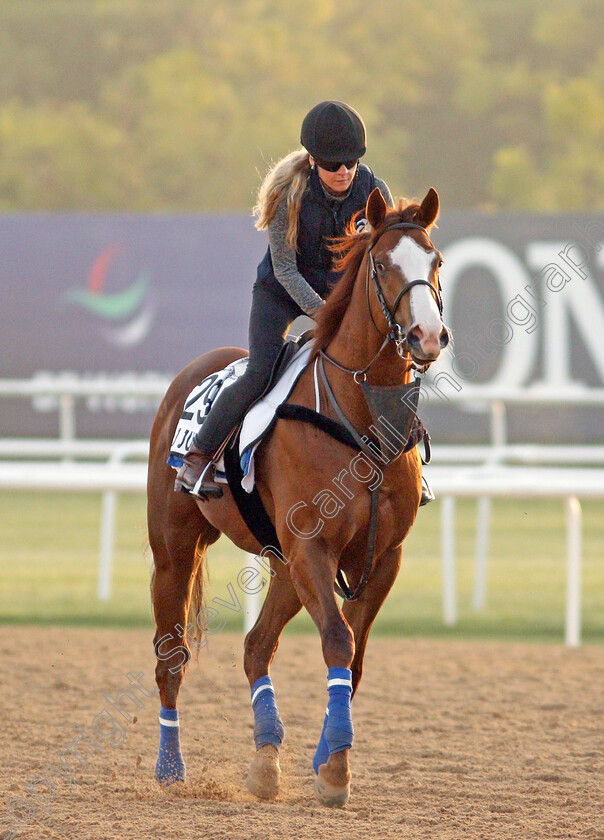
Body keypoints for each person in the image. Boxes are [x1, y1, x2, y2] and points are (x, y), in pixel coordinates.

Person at [176, 100, 432, 503]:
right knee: (260, 371)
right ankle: (199, 456)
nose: (344, 171)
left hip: (340, 288)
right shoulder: (286, 193)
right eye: (333, 164)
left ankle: (405, 461)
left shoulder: (373, 190)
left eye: (351, 161)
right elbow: (286, 270)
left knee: (382, 356)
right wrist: (325, 315)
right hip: (281, 289)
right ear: (313, 160)